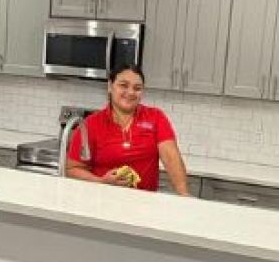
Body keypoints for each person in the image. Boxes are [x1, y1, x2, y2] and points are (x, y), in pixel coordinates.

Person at [65, 65, 190, 195]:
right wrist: (101, 181)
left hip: (144, 202)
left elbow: (171, 158)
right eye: (123, 85)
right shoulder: (90, 125)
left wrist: (184, 195)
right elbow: (72, 169)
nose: (130, 92)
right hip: (103, 200)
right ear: (110, 86)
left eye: (137, 88)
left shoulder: (156, 117)